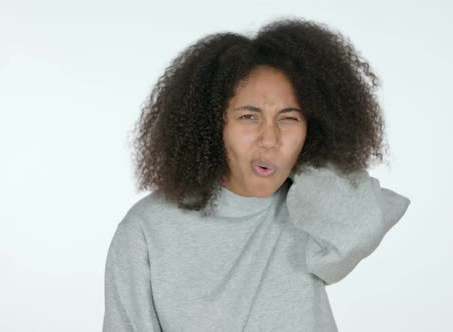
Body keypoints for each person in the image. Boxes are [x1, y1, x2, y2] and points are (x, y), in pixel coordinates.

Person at [102, 17, 411, 332]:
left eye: (289, 118)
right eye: (249, 116)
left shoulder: (312, 206)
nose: (270, 138)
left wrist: (310, 156)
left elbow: (368, 217)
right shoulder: (147, 229)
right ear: (212, 124)